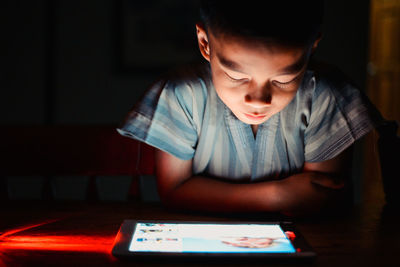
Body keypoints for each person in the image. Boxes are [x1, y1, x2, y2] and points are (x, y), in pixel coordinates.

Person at [117, 0, 382, 216]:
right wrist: (278, 197)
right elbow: (174, 191)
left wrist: (203, 194)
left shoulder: (326, 97)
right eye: (236, 76)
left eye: (283, 79)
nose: (259, 100)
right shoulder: (183, 96)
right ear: (205, 43)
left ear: (311, 49)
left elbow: (322, 200)